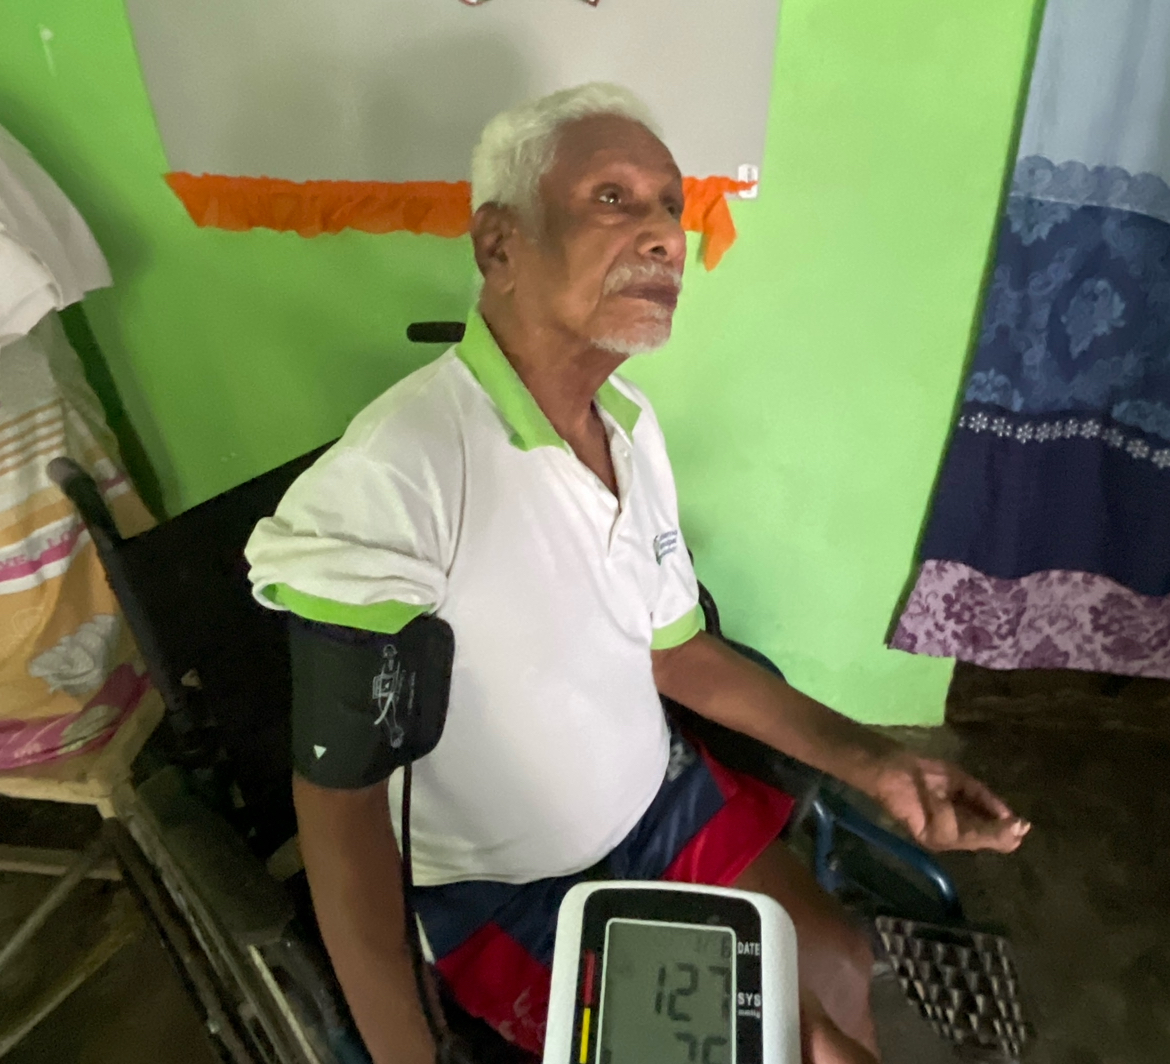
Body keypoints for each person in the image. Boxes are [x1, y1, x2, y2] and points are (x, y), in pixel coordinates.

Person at [245, 83, 1029, 1064]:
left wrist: (876, 761)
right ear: (499, 246)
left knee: (833, 965)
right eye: (612, 199)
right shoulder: (392, 484)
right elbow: (339, 811)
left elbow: (678, 653)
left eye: (670, 205)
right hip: (516, 887)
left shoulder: (628, 427)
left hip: (656, 804)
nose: (664, 234)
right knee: (783, 1045)